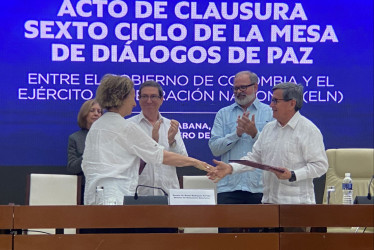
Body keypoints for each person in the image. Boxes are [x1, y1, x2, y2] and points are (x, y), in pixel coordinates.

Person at [82, 74, 211, 206]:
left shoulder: (97, 125)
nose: (134, 103)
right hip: (114, 200)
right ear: (121, 98)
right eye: (132, 98)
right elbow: (159, 155)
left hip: (94, 199)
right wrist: (196, 162)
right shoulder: (125, 127)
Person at [209, 82, 329, 207]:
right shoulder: (269, 129)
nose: (271, 105)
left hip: (296, 206)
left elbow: (320, 166)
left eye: (276, 101)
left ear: (292, 103)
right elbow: (254, 158)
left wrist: (293, 175)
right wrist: (231, 168)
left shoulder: (308, 130)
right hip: (268, 204)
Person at [208, 70, 273, 233]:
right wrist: (236, 134)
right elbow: (214, 148)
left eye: (243, 87)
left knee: (261, 244)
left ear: (256, 87)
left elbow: (274, 150)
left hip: (259, 188)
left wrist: (254, 134)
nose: (238, 92)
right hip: (229, 188)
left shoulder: (270, 113)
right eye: (235, 88)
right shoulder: (223, 114)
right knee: (228, 243)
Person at [128, 81, 187, 195]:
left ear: (161, 99)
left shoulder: (171, 125)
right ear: (138, 99)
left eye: (153, 96)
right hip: (138, 194)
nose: (149, 101)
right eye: (144, 96)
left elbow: (183, 160)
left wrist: (172, 141)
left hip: (168, 193)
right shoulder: (129, 126)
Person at [67, 99, 102, 204]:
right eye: (92, 110)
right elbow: (72, 167)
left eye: (99, 111)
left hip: (105, 186)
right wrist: (88, 153)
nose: (96, 114)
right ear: (84, 114)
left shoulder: (108, 136)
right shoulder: (75, 138)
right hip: (84, 189)